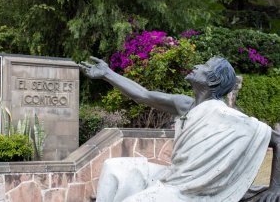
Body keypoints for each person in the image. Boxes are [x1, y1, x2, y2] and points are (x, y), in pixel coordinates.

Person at [79, 56, 280, 202]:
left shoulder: (230, 116)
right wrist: (108, 74)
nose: (196, 65)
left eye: (205, 65)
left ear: (214, 80)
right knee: (114, 167)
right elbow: (143, 95)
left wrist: (275, 187)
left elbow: (278, 140)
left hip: (193, 192)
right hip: (174, 177)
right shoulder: (185, 104)